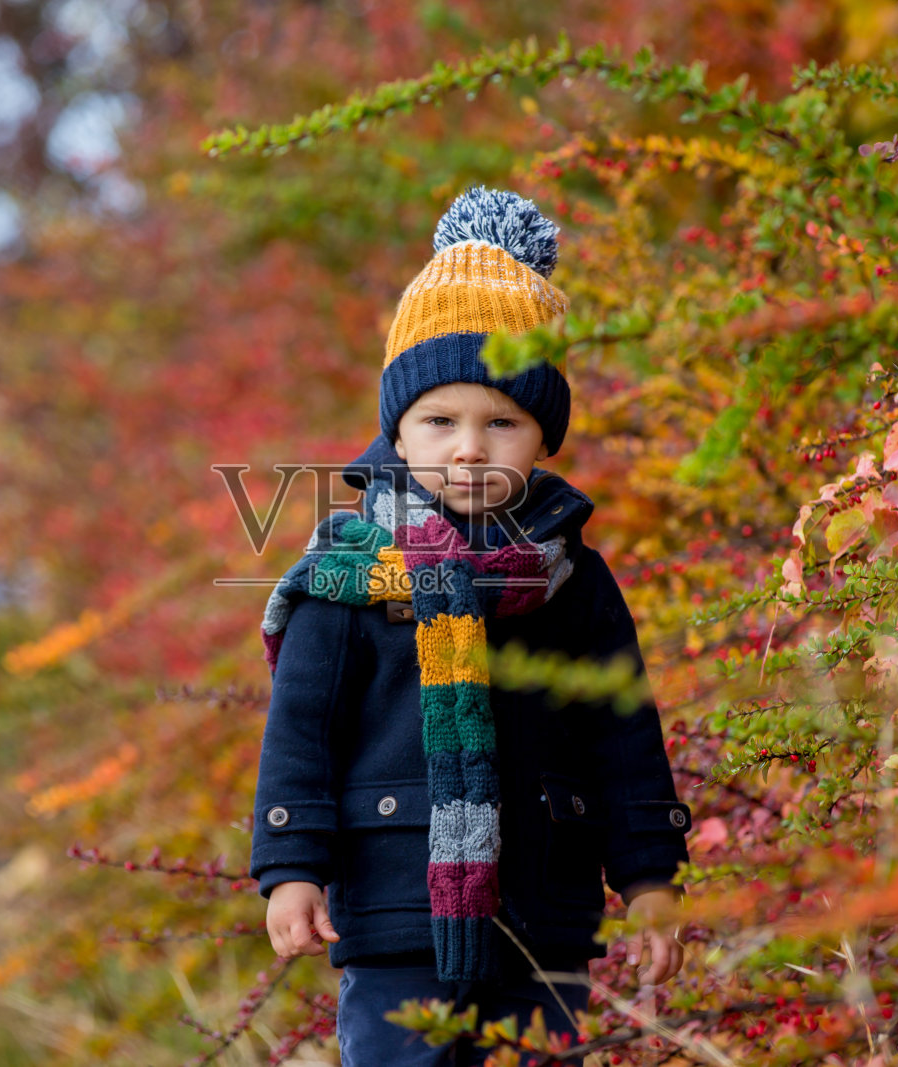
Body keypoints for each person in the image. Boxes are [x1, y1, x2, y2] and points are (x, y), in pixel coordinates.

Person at [250, 186, 692, 1064]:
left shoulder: (573, 578)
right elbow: (301, 730)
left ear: (543, 434)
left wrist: (649, 879)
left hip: (543, 911)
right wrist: (290, 866)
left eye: (503, 422)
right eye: (440, 420)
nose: (469, 447)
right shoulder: (349, 574)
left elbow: (624, 732)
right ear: (398, 431)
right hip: (392, 906)